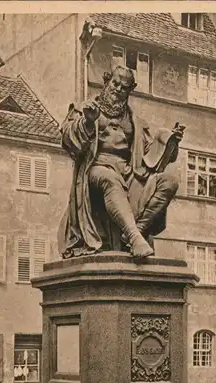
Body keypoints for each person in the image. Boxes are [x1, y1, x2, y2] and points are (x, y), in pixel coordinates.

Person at [58, 65, 185, 259]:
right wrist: (88, 122)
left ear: (129, 90)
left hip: (129, 171)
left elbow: (150, 156)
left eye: (124, 87)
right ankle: (135, 238)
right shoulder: (85, 109)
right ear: (107, 82)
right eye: (115, 83)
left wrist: (169, 141)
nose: (118, 89)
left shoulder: (134, 121)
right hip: (96, 168)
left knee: (169, 181)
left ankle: (135, 232)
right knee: (109, 178)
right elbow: (68, 139)